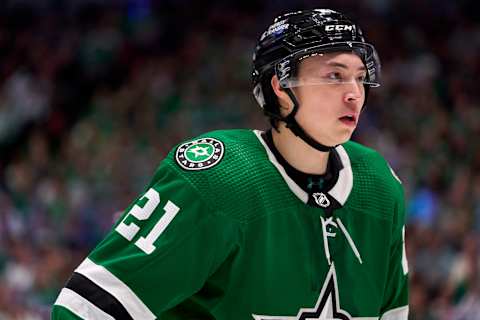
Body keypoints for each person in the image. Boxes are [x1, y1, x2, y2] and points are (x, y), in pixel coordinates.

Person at [52, 8, 409, 320]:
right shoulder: (218, 178)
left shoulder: (379, 186)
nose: (355, 93)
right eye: (334, 75)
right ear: (280, 87)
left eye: (360, 77)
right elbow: (87, 308)